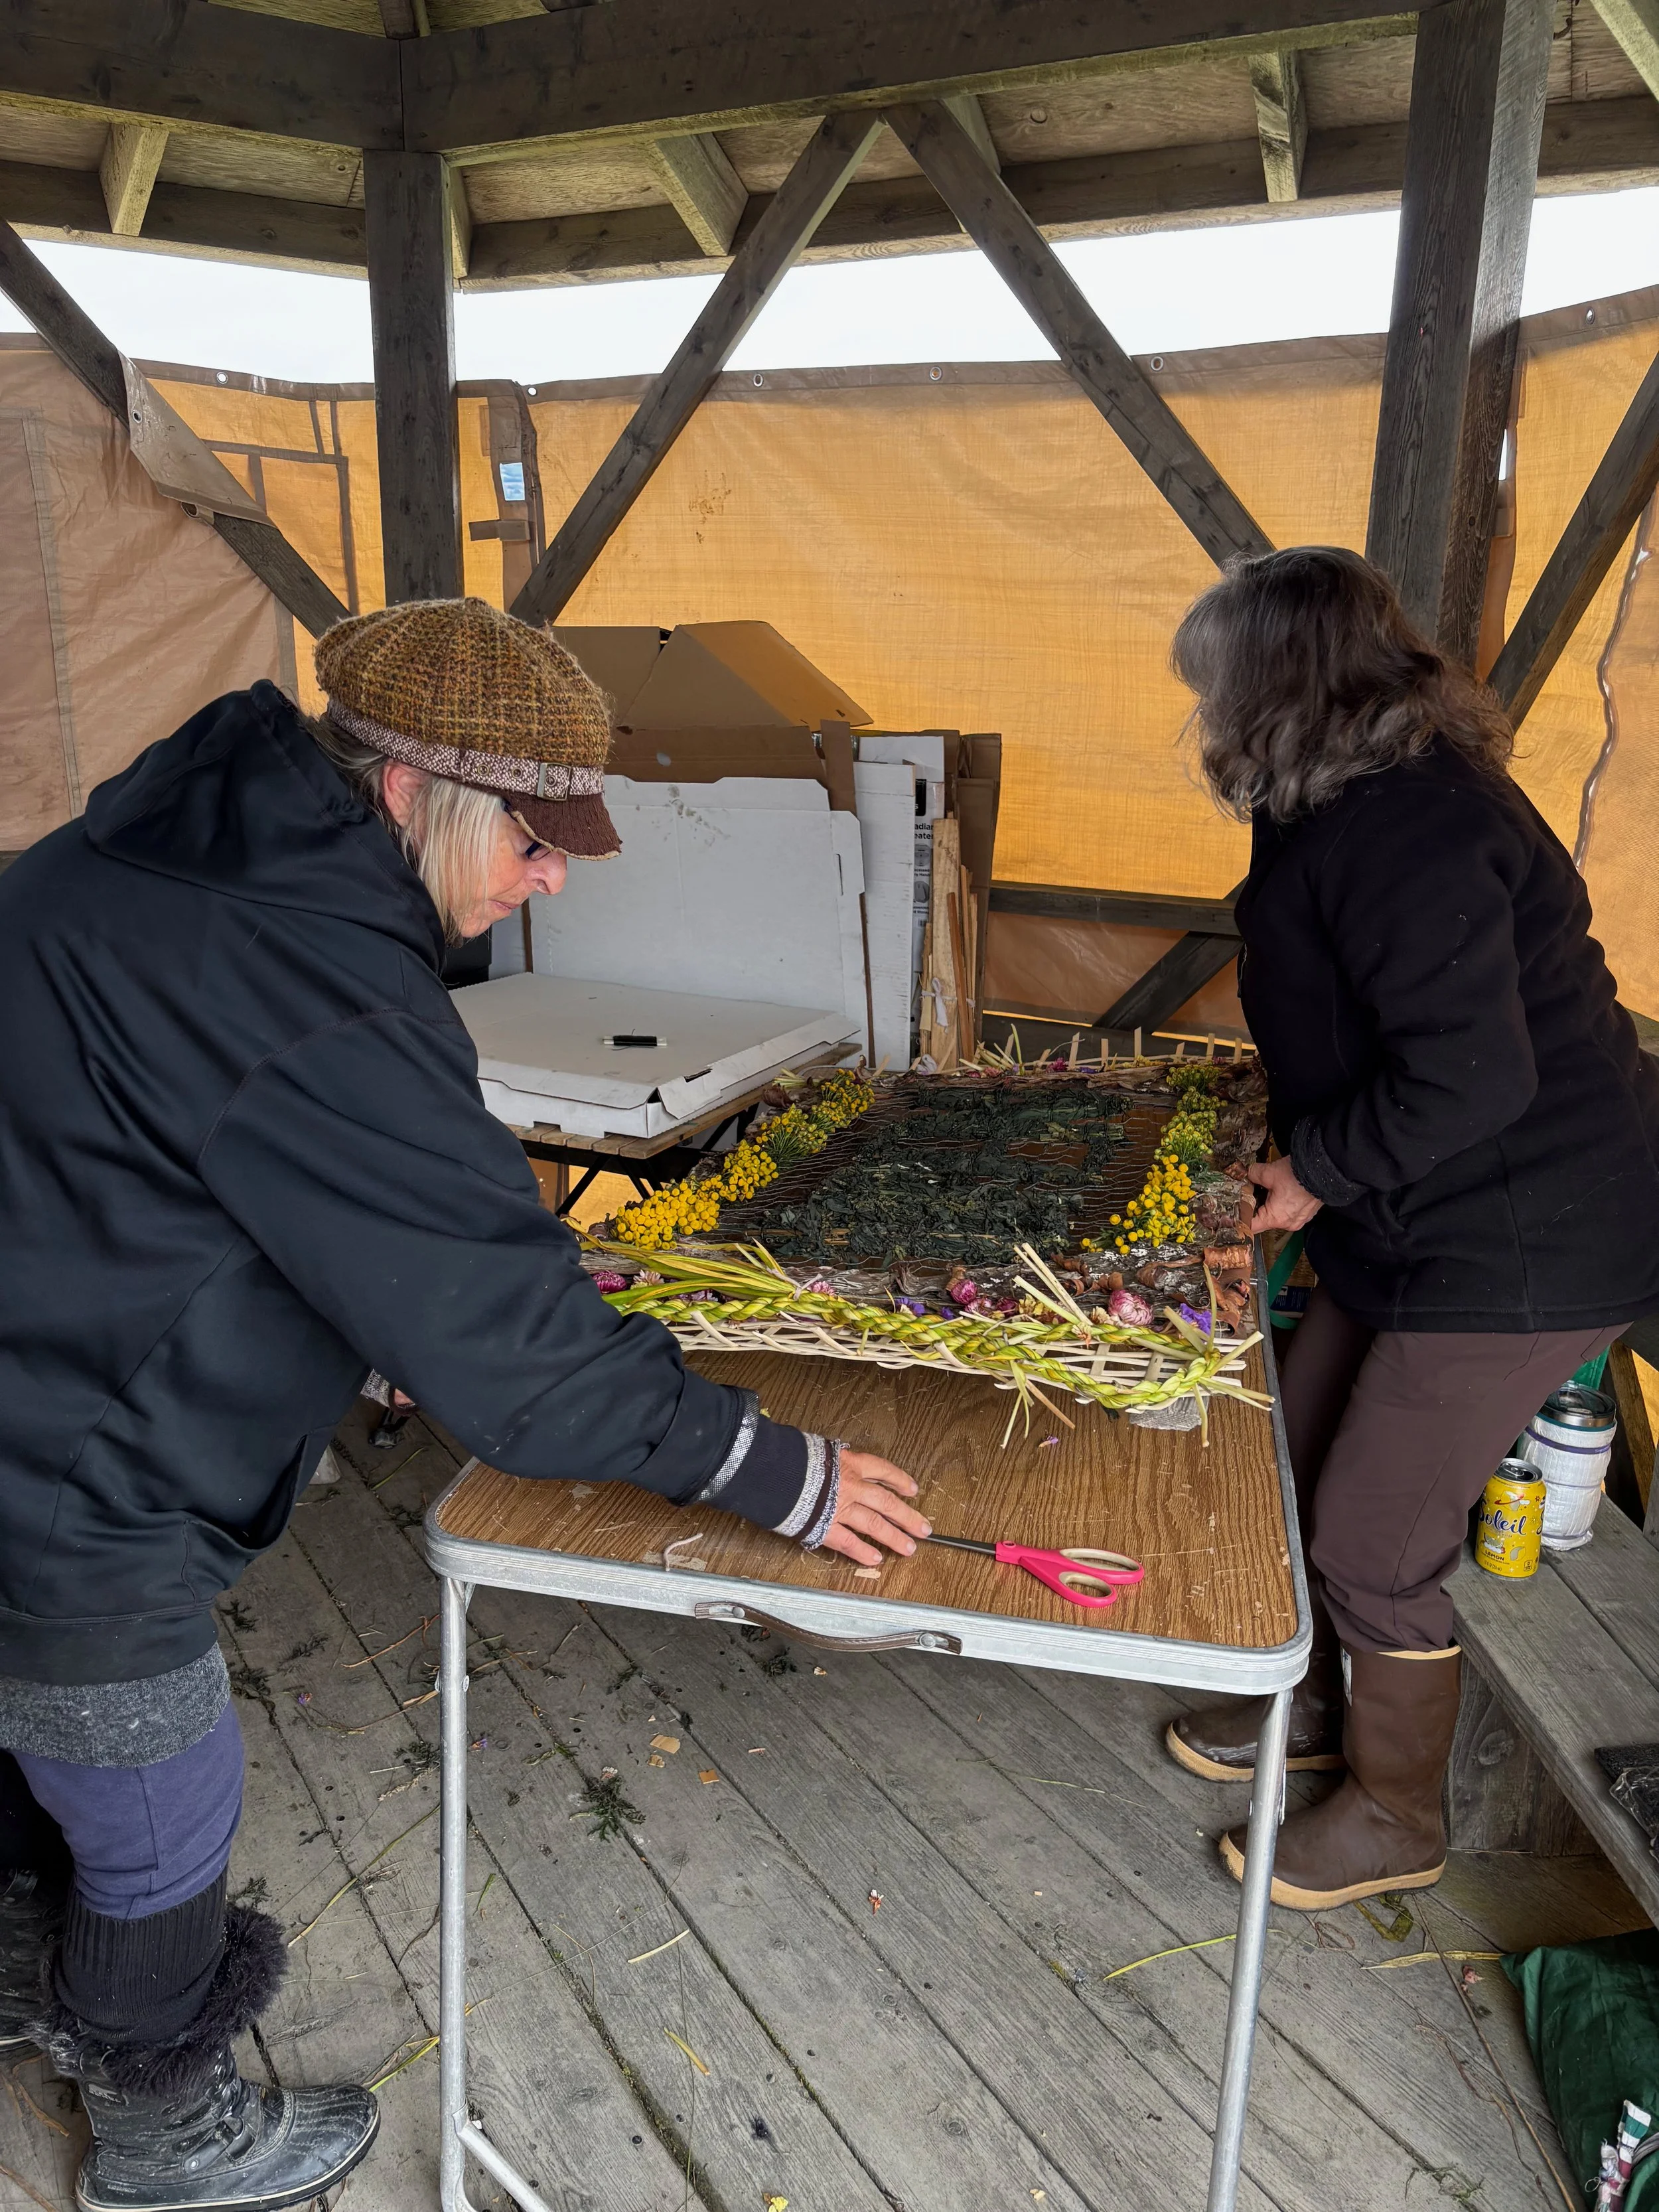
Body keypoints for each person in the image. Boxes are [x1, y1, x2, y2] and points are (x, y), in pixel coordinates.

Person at [0, 597, 930, 2211]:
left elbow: (160, 1157)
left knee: (26, 1750)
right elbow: (516, 1362)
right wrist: (770, 1469)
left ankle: (28, 1989)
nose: (554, 874)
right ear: (407, 792)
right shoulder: (313, 982)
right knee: (154, 1795)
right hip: (64, 1461)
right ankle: (161, 2130)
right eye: (536, 837)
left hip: (37, 1346)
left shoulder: (144, 857)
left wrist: (371, 1304)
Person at [1162, 547, 1659, 1911]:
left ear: (1278, 687)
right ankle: (1317, 1702)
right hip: (1418, 1201)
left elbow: (1475, 1076)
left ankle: (1393, 1813)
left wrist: (1309, 1170)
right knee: (1302, 1448)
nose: (1200, 714)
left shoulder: (1410, 823)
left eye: (1213, 685)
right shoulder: (1337, 795)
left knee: (1374, 1535)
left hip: (1521, 1227)